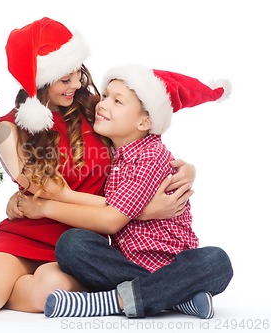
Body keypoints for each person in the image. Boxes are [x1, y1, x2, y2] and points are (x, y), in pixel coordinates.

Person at [0, 19, 196, 313]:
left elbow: (142, 139)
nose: (76, 85)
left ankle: (7, 288)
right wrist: (142, 212)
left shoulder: (96, 110)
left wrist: (186, 169)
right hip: (27, 233)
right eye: (65, 79)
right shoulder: (8, 129)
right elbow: (49, 192)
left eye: (78, 74)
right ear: (41, 79)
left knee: (50, 293)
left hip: (80, 244)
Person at [17, 64, 233, 319]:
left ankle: (110, 302)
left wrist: (44, 207)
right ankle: (177, 298)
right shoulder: (111, 151)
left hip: (173, 264)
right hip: (124, 265)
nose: (103, 104)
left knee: (217, 262)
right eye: (106, 96)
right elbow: (105, 205)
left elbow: (111, 220)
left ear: (145, 121)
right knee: (72, 245)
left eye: (117, 101)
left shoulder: (149, 155)